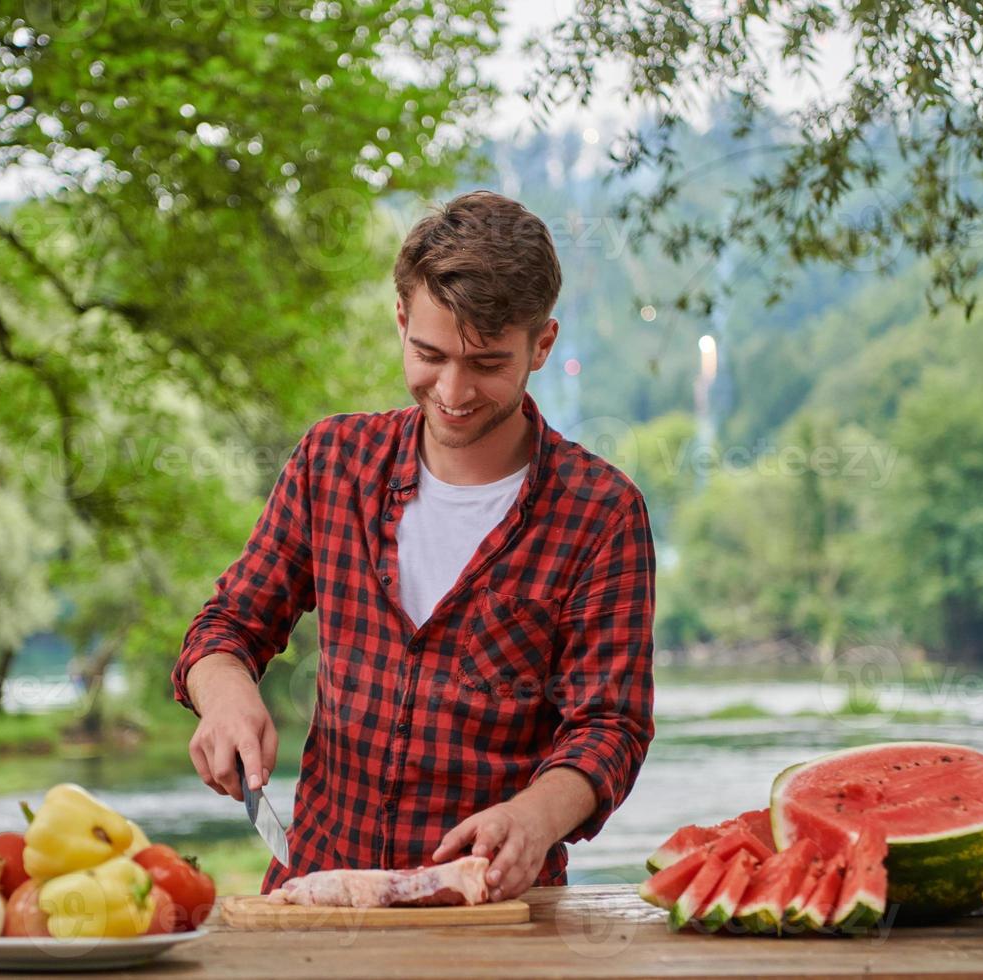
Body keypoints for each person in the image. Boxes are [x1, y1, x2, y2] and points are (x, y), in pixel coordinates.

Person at [172, 190, 655, 902]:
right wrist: (225, 698)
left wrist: (533, 816)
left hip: (495, 913)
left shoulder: (602, 513)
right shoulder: (332, 462)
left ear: (542, 345)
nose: (454, 391)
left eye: (488, 362)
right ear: (401, 320)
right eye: (430, 354)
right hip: (316, 897)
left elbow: (610, 726)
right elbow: (227, 627)